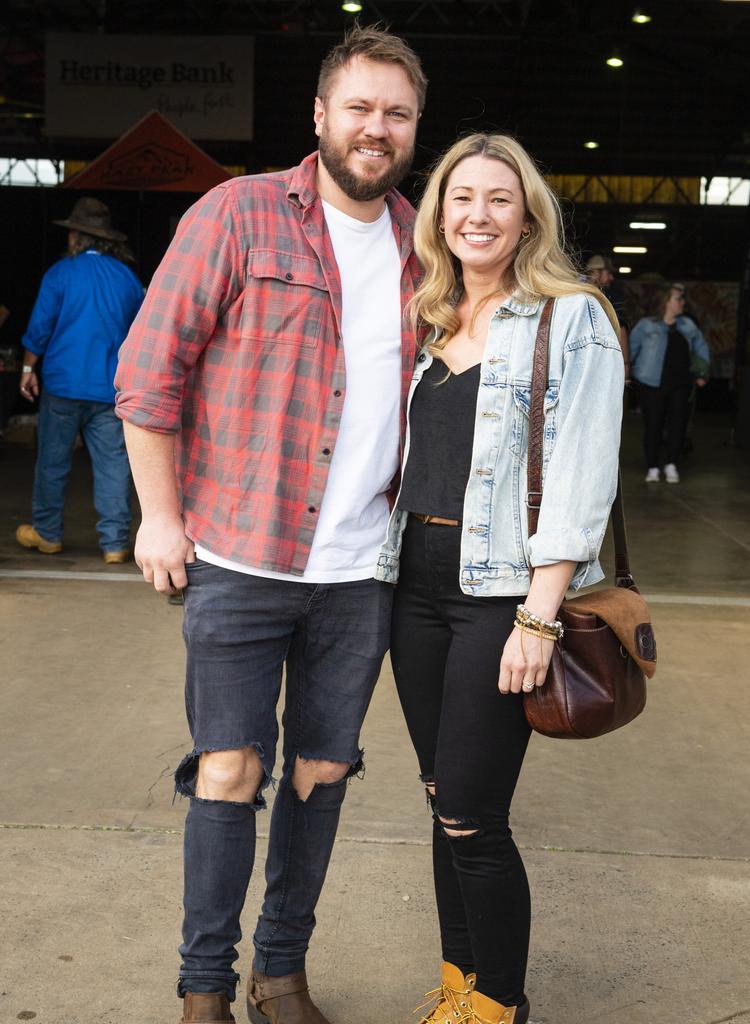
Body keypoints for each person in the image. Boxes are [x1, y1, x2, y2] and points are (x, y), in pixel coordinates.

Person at [114, 26, 427, 1024]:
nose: (375, 128)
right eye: (361, 107)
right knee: (230, 766)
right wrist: (160, 515)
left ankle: (279, 971)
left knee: (324, 768)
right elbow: (147, 372)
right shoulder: (239, 213)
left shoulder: (426, 248)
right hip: (241, 554)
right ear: (322, 116)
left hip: (360, 570)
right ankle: (205, 984)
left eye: (397, 113)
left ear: (415, 130)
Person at [376, 133, 625, 1024]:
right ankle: (457, 988)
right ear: (438, 212)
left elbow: (581, 477)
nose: (477, 215)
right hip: (415, 587)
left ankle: (500, 1006)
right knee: (443, 798)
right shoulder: (429, 317)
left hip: (500, 598)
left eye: (498, 200)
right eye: (460, 197)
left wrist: (540, 616)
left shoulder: (571, 316)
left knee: (475, 816)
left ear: (527, 220)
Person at [15, 197, 143, 562]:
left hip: (63, 385)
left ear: (76, 235)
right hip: (109, 388)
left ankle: (48, 533)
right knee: (113, 465)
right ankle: (115, 543)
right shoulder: (127, 278)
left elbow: (40, 328)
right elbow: (140, 332)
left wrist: (27, 369)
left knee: (53, 462)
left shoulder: (60, 273)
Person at [629, 283, 709, 483]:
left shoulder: (687, 325)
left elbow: (701, 347)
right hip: (650, 383)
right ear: (666, 301)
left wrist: (702, 372)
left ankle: (672, 464)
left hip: (681, 384)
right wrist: (628, 374)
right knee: (653, 425)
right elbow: (630, 349)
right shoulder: (647, 325)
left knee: (678, 425)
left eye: (682, 299)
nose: (682, 302)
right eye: (678, 298)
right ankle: (653, 467)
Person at [585, 254, 630, 381]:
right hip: (601, 362)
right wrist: (625, 365)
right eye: (608, 272)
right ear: (595, 273)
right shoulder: (608, 297)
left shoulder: (576, 293)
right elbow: (620, 328)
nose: (611, 277)